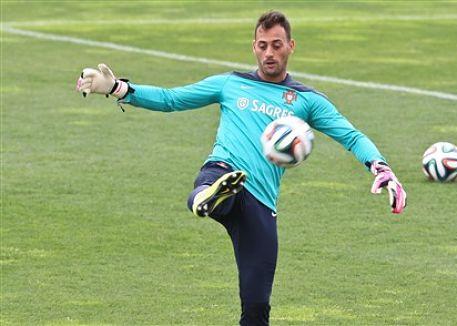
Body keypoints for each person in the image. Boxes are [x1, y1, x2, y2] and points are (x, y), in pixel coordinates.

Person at [76, 11, 406, 325]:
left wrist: (381, 168)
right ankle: (206, 199)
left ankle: (208, 200)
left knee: (257, 306)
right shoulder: (230, 84)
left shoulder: (307, 100)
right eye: (262, 46)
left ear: (291, 46)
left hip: (261, 206)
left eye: (277, 45)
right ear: (254, 47)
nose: (269, 53)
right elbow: (172, 98)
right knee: (220, 191)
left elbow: (351, 135)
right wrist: (119, 88)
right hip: (223, 170)